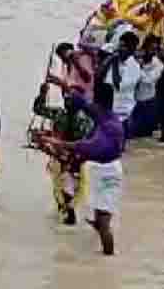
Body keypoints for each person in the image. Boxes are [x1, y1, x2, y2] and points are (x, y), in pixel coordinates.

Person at [41, 84, 124, 256]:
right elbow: (85, 104)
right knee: (97, 215)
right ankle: (98, 244)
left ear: (98, 103)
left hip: (109, 172)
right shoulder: (103, 115)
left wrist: (59, 144)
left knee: (103, 223)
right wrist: (65, 86)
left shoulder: (111, 128)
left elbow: (86, 147)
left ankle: (108, 259)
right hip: (96, 169)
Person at [32, 84, 94, 225]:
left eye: (69, 100)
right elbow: (38, 109)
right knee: (61, 192)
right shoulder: (61, 114)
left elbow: (83, 146)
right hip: (60, 158)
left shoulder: (84, 122)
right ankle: (65, 227)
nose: (66, 101)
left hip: (76, 161)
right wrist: (42, 94)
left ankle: (68, 223)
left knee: (69, 194)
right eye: (66, 99)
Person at [99, 31, 142, 138]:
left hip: (122, 114)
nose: (119, 48)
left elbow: (118, 85)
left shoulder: (134, 67)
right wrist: (108, 61)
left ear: (131, 49)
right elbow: (99, 77)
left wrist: (113, 64)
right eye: (120, 45)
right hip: (108, 110)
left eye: (123, 46)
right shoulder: (114, 61)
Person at [129, 35, 164, 138]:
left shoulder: (158, 64)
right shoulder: (135, 60)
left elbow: (149, 80)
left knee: (145, 134)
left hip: (149, 101)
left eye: (154, 49)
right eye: (148, 48)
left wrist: (139, 68)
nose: (150, 51)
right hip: (133, 102)